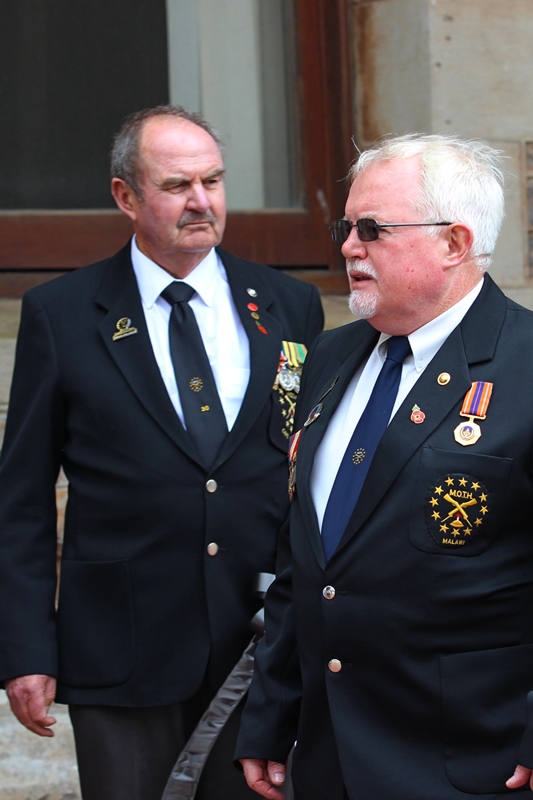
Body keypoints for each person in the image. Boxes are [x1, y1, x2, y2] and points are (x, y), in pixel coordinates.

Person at [0, 105, 323, 800]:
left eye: (213, 180)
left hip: (257, 645)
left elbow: (308, 464)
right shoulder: (61, 314)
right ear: (126, 196)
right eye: (177, 185)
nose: (202, 202)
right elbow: (21, 499)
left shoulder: (289, 306)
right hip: (122, 649)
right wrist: (25, 648)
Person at [236, 133, 533, 800]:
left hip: (469, 759)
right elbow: (304, 563)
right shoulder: (329, 358)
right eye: (346, 226)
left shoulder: (524, 365)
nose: (346, 246)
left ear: (453, 244)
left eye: (370, 229)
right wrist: (268, 715)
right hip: (326, 755)